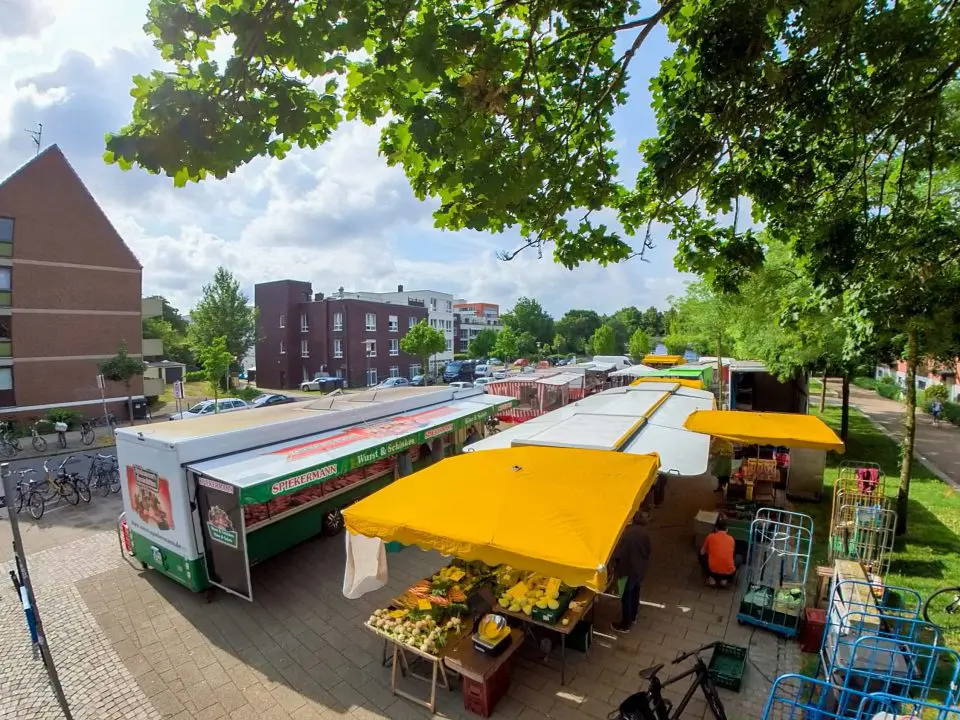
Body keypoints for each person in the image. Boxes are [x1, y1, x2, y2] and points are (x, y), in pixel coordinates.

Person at [611, 512, 652, 633]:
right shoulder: (644, 533)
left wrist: (613, 568)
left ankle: (625, 624)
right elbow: (648, 550)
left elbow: (617, 555)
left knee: (625, 596)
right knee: (635, 592)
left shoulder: (626, 534)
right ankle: (633, 616)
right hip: (639, 570)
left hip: (626, 571)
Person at [700, 517, 737, 588]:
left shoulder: (710, 536)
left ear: (716, 529)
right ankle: (724, 580)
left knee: (700, 554)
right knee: (738, 558)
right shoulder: (731, 539)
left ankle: (711, 579)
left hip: (712, 570)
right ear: (727, 530)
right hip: (728, 573)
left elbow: (702, 552)